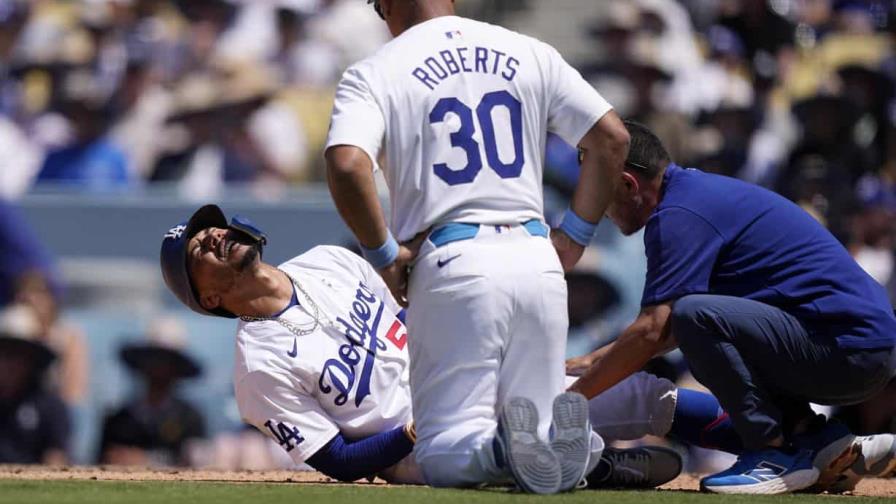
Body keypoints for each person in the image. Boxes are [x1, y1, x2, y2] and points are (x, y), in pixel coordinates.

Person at [158, 205, 701, 487]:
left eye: (215, 228)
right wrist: (415, 431)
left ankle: (772, 437)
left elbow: (414, 316)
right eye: (201, 247)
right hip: (425, 444)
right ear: (208, 297)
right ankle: (595, 468)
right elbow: (340, 462)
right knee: (512, 446)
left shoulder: (329, 259)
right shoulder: (258, 367)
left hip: (463, 377)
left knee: (647, 395)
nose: (216, 235)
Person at [324, 0, 629, 492]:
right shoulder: (528, 50)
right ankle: (563, 445)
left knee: (445, 449)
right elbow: (612, 137)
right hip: (537, 256)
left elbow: (346, 163)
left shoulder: (376, 70)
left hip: (454, 260)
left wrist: (383, 256)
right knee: (540, 458)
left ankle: (507, 446)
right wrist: (574, 235)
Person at [568, 122, 896, 494]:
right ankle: (815, 440)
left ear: (628, 184)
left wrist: (571, 401)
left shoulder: (679, 215)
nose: (594, 206)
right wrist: (593, 361)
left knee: (695, 315)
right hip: (853, 343)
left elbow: (656, 329)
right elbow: (667, 332)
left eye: (597, 191)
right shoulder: (691, 196)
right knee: (697, 322)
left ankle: (770, 452)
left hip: (847, 347)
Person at [98, 317, 206, 467]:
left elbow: (196, 463)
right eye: (153, 358)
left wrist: (147, 460)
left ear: (176, 368)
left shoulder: (189, 418)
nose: (157, 368)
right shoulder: (118, 419)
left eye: (165, 361)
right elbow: (98, 464)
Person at [0, 304, 70, 465]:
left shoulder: (49, 406)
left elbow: (56, 459)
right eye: (4, 353)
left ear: (32, 360)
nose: (9, 363)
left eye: (18, 355)